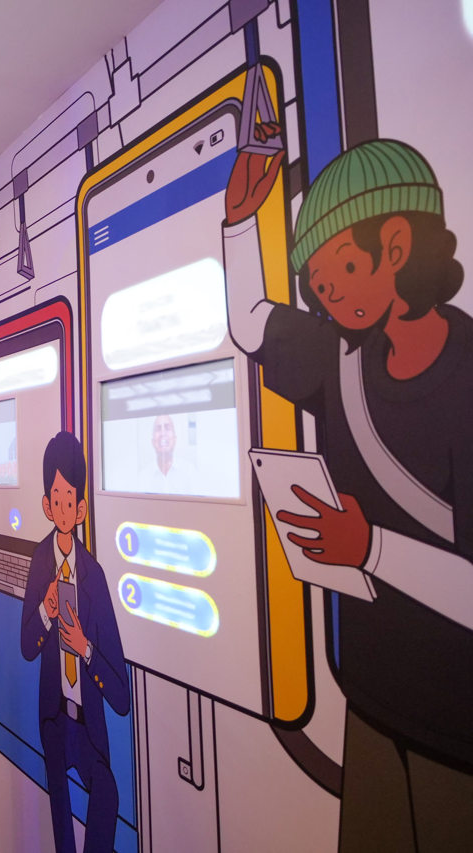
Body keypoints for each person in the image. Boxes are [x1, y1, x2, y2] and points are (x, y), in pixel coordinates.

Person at [223, 134, 473, 851]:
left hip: (456, 733)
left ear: (397, 246)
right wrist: (243, 216)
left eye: (342, 274)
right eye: (319, 287)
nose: (329, 297)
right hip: (370, 700)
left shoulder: (467, 382)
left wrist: (371, 548)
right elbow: (249, 321)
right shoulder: (340, 357)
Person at [20, 432, 130, 853]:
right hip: (54, 718)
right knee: (60, 806)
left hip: (88, 723)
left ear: (80, 508)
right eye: (56, 498)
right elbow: (27, 647)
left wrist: (85, 647)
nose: (63, 508)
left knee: (108, 795)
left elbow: (120, 695)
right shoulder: (38, 562)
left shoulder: (94, 576)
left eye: (71, 500)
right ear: (47, 504)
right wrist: (46, 612)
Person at [134, 414, 196, 495]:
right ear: (152, 442)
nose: (162, 433)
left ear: (174, 439)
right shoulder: (143, 477)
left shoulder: (189, 472)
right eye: (158, 429)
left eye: (167, 428)